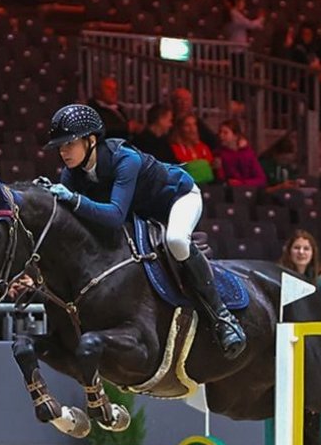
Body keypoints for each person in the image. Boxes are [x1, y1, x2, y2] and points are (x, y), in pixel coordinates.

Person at [43, 104, 246, 358]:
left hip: (176, 199)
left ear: (91, 140)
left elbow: (115, 215)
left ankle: (222, 317)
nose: (63, 152)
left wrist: (73, 200)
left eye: (69, 144)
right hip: (141, 212)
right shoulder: (71, 173)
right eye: (60, 147)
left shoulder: (126, 159)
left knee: (176, 242)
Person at [215, 120, 266, 188]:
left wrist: (242, 183)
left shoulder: (247, 153)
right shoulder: (219, 153)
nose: (221, 136)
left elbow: (261, 179)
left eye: (225, 133)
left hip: (247, 190)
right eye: (220, 132)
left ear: (235, 136)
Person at [170, 113, 216, 185]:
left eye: (194, 124)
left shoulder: (203, 147)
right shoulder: (174, 149)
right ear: (179, 128)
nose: (192, 129)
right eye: (187, 125)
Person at [88, 75, 137, 140]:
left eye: (115, 89)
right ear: (98, 91)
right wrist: (125, 127)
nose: (114, 92)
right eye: (109, 89)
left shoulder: (118, 109)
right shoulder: (91, 110)